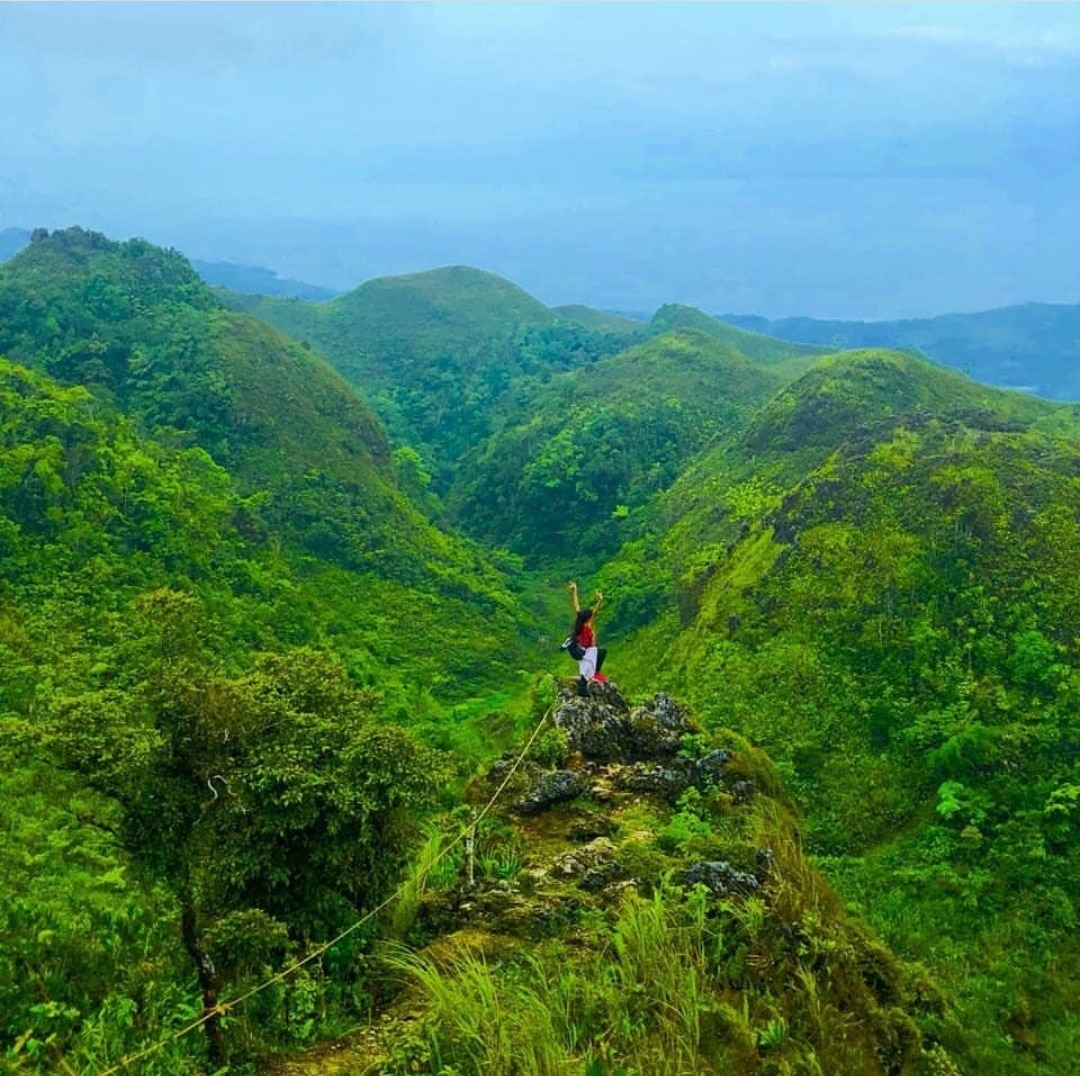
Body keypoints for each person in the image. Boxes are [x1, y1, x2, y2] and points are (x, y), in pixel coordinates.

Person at [567, 581, 607, 696]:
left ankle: (595, 673)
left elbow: (593, 611)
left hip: (586, 651)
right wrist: (574, 591)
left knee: (601, 652)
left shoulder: (586, 625)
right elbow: (577, 606)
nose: (592, 617)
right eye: (590, 617)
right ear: (587, 618)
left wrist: (600, 600)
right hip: (581, 651)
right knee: (585, 673)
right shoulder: (583, 626)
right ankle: (583, 689)